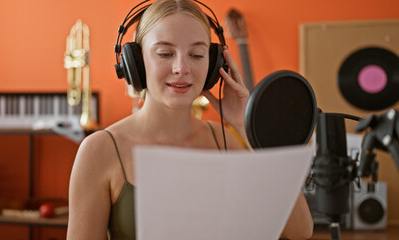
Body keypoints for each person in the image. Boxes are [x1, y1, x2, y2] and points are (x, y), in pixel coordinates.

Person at [67, 0, 313, 239]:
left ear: (215, 64)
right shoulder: (100, 150)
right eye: (165, 53)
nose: (181, 68)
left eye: (196, 55)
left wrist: (244, 124)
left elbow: (300, 230)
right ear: (136, 62)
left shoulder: (228, 140)